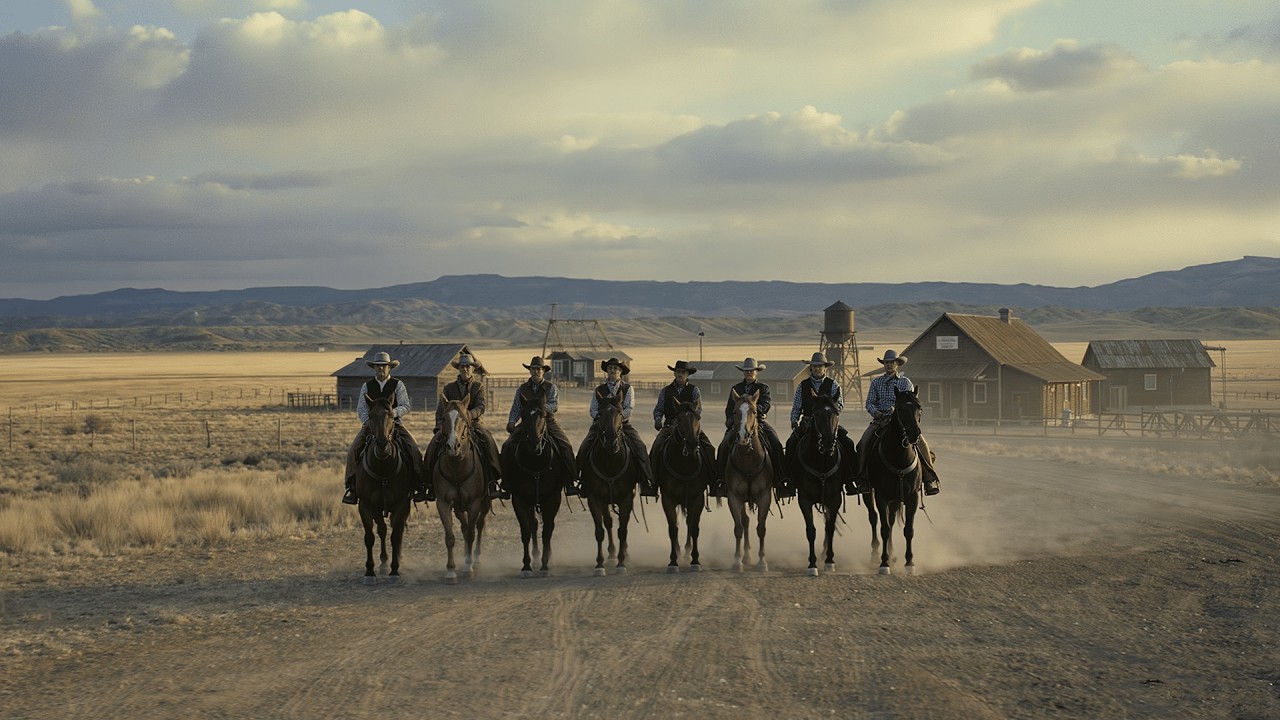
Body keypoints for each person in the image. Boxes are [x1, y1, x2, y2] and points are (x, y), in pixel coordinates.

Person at [342, 351, 428, 505]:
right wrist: (369, 422)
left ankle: (419, 485)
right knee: (353, 449)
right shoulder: (367, 386)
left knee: (414, 449)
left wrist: (390, 415)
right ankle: (352, 487)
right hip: (371, 425)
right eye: (378, 366)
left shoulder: (398, 384)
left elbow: (405, 405)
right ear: (374, 368)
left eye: (384, 366)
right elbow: (361, 408)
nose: (381, 369)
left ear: (389, 368)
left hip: (394, 424)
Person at [853, 349, 940, 495]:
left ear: (897, 364)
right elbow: (869, 403)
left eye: (892, 363)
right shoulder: (877, 382)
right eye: (886, 363)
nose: (889, 365)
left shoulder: (906, 383)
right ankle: (863, 478)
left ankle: (929, 479)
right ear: (884, 364)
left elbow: (911, 404)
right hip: (880, 421)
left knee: (921, 443)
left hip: (902, 422)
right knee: (863, 443)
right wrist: (877, 413)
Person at [424, 353, 503, 501]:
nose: (465, 369)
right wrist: (439, 426)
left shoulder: (478, 387)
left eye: (468, 367)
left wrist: (467, 416)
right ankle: (428, 483)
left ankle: (493, 480)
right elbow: (441, 410)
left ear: (472, 369)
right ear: (458, 369)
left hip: (474, 424)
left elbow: (481, 407)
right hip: (451, 426)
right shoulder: (449, 388)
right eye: (462, 367)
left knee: (488, 440)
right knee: (433, 445)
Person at [784, 351, 862, 495]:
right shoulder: (803, 386)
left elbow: (840, 405)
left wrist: (829, 410)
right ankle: (789, 479)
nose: (818, 369)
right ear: (811, 368)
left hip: (828, 422)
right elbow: (797, 406)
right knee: (791, 443)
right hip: (808, 422)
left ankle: (851, 478)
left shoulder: (833, 385)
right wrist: (794, 420)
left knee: (847, 442)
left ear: (825, 368)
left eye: (820, 366)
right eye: (815, 366)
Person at [577, 357, 657, 496]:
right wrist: (603, 420)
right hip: (600, 427)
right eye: (610, 368)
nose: (613, 370)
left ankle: (646, 481)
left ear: (621, 372)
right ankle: (581, 480)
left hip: (623, 426)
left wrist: (616, 420)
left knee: (640, 446)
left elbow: (629, 409)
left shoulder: (628, 389)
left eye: (616, 368)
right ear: (606, 371)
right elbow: (593, 410)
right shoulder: (599, 390)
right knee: (584, 447)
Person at [504, 356, 579, 497]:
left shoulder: (551, 387)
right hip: (527, 422)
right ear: (530, 370)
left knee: (565, 445)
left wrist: (540, 409)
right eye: (533, 369)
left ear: (543, 371)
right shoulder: (522, 388)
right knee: (507, 445)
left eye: (539, 369)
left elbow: (554, 405)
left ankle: (570, 481)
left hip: (547, 421)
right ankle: (506, 483)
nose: (536, 372)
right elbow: (516, 407)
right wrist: (512, 421)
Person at [717, 358, 790, 498]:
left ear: (756, 372)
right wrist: (730, 420)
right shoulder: (736, 389)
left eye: (751, 370)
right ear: (743, 372)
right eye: (746, 371)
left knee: (775, 443)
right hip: (738, 424)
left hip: (758, 423)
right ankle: (720, 480)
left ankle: (781, 479)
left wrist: (755, 409)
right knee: (724, 446)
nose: (749, 373)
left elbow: (766, 404)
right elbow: (729, 408)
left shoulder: (763, 388)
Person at [649, 360, 721, 496]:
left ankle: (714, 483)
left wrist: (691, 418)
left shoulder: (694, 390)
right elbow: (658, 409)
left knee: (709, 448)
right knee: (657, 447)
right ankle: (653, 482)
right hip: (670, 424)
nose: (680, 374)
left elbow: (699, 409)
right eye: (678, 372)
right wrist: (658, 419)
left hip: (691, 425)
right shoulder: (665, 391)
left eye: (683, 372)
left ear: (687, 375)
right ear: (674, 374)